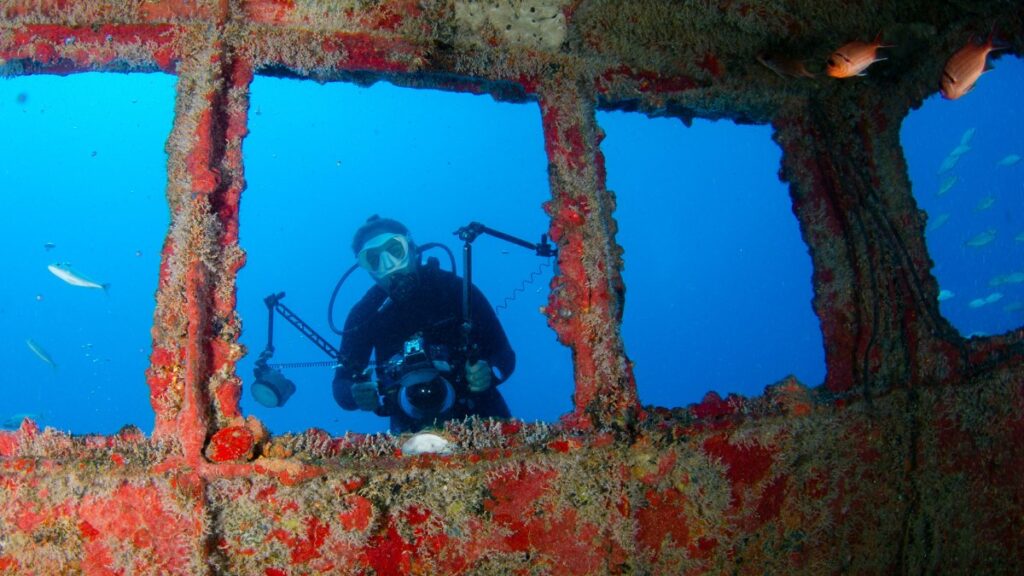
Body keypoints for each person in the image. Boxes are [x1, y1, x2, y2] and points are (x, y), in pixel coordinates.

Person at [332, 215, 516, 432]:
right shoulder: (364, 314)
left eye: (395, 249)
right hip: (411, 427)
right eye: (373, 259)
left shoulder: (456, 290)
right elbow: (341, 385)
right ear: (367, 268)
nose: (389, 264)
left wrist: (489, 373)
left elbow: (504, 356)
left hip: (482, 416)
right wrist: (357, 393)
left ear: (412, 248)